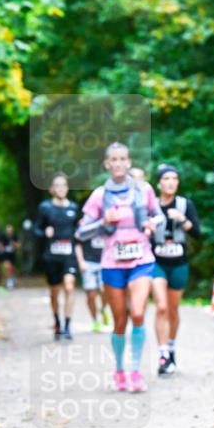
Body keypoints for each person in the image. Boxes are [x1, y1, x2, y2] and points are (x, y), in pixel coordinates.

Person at [76, 143, 164, 393]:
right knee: (119, 320)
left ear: (128, 162)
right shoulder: (99, 195)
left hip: (141, 260)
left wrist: (151, 223)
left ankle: (135, 371)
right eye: (113, 159)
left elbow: (160, 217)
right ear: (106, 164)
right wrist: (103, 221)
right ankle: (119, 370)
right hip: (112, 263)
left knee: (137, 313)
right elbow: (81, 232)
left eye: (122, 159)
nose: (118, 163)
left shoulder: (143, 190)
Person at [149, 164, 201, 376]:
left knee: (172, 309)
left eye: (174, 178)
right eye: (166, 178)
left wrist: (183, 220)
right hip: (156, 262)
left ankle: (170, 346)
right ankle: (162, 354)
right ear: (159, 183)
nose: (170, 182)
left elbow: (197, 233)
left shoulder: (184, 204)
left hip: (179, 262)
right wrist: (148, 225)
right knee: (160, 307)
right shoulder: (151, 205)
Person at [34, 173, 79, 340]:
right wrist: (44, 232)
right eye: (57, 185)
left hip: (69, 254)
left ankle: (67, 326)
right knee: (54, 291)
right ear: (51, 189)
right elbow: (36, 229)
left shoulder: (73, 208)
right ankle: (57, 322)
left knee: (69, 286)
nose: (61, 188)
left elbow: (78, 230)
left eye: (64, 185)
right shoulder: (45, 207)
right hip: (52, 255)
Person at [75, 227, 111, 333]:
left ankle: (104, 309)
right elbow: (78, 244)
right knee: (91, 295)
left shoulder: (108, 222)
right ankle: (95, 320)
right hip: (88, 263)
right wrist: (81, 261)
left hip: (105, 262)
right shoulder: (84, 224)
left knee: (106, 290)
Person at [0, 224, 19, 290]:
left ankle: (12, 278)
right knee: (7, 267)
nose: (9, 231)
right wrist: (1, 248)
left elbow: (18, 245)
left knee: (12, 268)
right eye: (8, 230)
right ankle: (9, 281)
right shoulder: (3, 236)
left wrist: (14, 245)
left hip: (12, 255)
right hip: (5, 254)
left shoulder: (15, 236)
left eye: (10, 230)